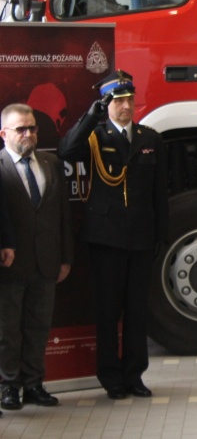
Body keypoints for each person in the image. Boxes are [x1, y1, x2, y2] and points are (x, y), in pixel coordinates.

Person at [57, 70, 168, 400]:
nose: (126, 106)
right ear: (107, 104)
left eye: (130, 100)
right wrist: (92, 115)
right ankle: (110, 378)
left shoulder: (150, 138)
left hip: (141, 237)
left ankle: (134, 375)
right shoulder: (96, 136)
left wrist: (161, 233)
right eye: (119, 101)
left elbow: (159, 192)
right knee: (108, 311)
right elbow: (66, 151)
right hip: (105, 238)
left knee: (137, 310)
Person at [0, 104, 72, 411]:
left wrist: (65, 258)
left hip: (46, 262)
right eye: (21, 129)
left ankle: (34, 384)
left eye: (32, 128)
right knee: (7, 331)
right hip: (10, 266)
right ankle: (8, 386)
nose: (28, 133)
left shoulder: (51, 162)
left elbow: (63, 216)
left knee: (38, 327)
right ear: (4, 134)